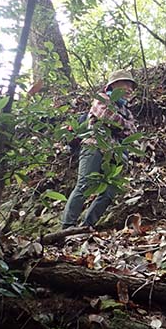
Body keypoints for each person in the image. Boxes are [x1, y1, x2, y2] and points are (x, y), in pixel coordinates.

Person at [61, 69, 138, 229]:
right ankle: (67, 226)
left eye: (131, 85)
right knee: (84, 184)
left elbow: (133, 131)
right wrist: (122, 126)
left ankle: (88, 225)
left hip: (115, 154)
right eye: (126, 84)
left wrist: (120, 125)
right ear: (114, 85)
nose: (130, 89)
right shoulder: (102, 98)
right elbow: (107, 116)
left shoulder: (126, 111)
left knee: (110, 191)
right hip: (94, 146)